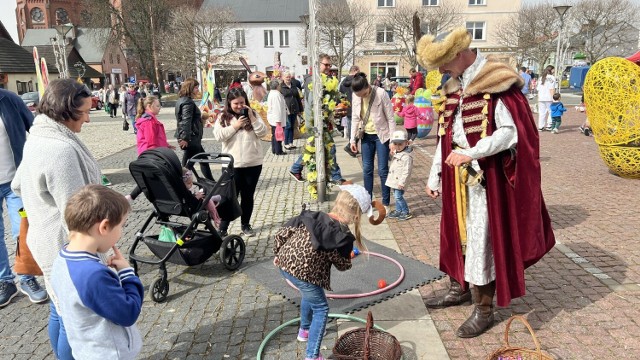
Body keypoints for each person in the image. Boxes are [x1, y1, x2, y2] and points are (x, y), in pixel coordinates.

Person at [417, 27, 555, 338]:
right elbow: (446, 135)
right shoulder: (455, 85)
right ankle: (459, 288)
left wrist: (471, 153)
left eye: (443, 63)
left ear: (458, 54)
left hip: (486, 179)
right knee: (455, 235)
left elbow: (510, 133)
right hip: (457, 180)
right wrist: (435, 173)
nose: (440, 71)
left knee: (481, 242)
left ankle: (484, 308)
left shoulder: (498, 81)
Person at [11, 78, 103, 359]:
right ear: (65, 111)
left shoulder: (38, 137)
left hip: (43, 237)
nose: (88, 119)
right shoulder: (60, 150)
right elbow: (76, 214)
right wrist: (100, 251)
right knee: (71, 319)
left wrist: (40, 206)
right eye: (84, 112)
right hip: (63, 246)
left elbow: (17, 184)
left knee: (57, 309)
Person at [273, 184, 374, 360]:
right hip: (306, 275)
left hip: (284, 264)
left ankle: (304, 331)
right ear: (356, 216)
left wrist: (278, 252)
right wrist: (348, 256)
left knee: (309, 295)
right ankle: (312, 355)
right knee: (321, 309)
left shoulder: (312, 216)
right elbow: (342, 266)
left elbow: (283, 232)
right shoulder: (342, 237)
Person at [50, 185, 143, 360]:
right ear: (105, 227)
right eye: (122, 226)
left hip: (85, 349)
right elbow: (128, 313)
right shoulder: (93, 274)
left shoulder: (62, 258)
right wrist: (127, 273)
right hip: (108, 354)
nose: (121, 232)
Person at [0, 88, 48, 308]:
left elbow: (36, 129)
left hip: (14, 183)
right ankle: (5, 282)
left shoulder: (8, 100)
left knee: (22, 231)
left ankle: (27, 277)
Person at [212, 88, 268, 237]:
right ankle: (223, 228)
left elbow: (263, 133)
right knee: (230, 197)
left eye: (242, 103)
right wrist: (235, 126)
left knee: (248, 196)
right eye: (236, 103)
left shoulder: (253, 114)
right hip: (232, 165)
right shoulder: (223, 117)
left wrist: (252, 118)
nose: (239, 106)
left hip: (252, 163)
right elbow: (219, 136)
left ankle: (245, 224)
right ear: (229, 103)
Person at [289, 54, 347, 185]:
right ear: (318, 65)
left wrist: (336, 107)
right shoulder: (313, 81)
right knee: (327, 147)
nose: (328, 67)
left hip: (323, 121)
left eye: (329, 65)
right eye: (325, 65)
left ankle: (296, 168)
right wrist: (330, 111)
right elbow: (314, 104)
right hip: (314, 122)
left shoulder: (325, 79)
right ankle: (335, 176)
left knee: (315, 147)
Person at [349, 72, 396, 210]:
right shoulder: (355, 96)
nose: (361, 97)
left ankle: (386, 202)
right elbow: (355, 118)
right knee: (367, 170)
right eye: (358, 96)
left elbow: (391, 118)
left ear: (367, 86)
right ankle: (367, 201)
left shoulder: (381, 94)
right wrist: (352, 140)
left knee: (382, 170)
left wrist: (392, 141)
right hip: (366, 136)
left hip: (381, 135)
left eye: (363, 94)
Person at [175, 78, 213, 180]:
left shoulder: (182, 100)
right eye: (196, 87)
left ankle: (211, 182)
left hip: (189, 136)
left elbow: (186, 119)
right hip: (191, 137)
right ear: (190, 88)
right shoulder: (188, 102)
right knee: (190, 165)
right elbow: (186, 121)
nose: (197, 89)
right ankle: (181, 181)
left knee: (200, 159)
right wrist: (185, 138)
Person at [386, 130, 414, 221]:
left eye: (400, 144)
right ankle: (398, 210)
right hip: (394, 179)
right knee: (396, 195)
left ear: (406, 143)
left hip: (400, 181)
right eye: (395, 144)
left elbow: (407, 171)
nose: (397, 147)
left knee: (398, 196)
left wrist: (402, 182)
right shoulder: (397, 153)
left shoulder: (407, 156)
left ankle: (406, 211)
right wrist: (392, 154)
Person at [340, 65, 360, 157]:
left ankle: (352, 147)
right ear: (355, 71)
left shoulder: (343, 81)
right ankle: (350, 147)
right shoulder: (357, 81)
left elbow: (340, 94)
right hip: (356, 107)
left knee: (351, 129)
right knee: (359, 130)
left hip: (347, 108)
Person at [280, 71, 303, 150]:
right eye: (286, 77)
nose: (288, 78)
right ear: (283, 78)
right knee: (288, 126)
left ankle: (291, 142)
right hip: (286, 110)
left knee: (292, 126)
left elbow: (298, 98)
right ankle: (286, 143)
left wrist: (300, 109)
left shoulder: (293, 86)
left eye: (289, 77)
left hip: (294, 109)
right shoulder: (281, 87)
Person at [267, 79, 287, 155]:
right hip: (277, 119)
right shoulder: (276, 95)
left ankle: (274, 149)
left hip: (273, 118)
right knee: (278, 135)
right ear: (277, 86)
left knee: (274, 135)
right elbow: (277, 108)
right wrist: (278, 121)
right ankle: (278, 150)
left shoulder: (272, 93)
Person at [536, 65, 556, 130]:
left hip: (541, 97)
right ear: (551, 70)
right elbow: (551, 89)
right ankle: (549, 125)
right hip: (549, 97)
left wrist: (538, 98)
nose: (554, 71)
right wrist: (554, 98)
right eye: (553, 69)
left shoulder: (541, 78)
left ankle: (540, 126)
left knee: (542, 112)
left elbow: (538, 89)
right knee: (551, 111)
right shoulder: (552, 78)